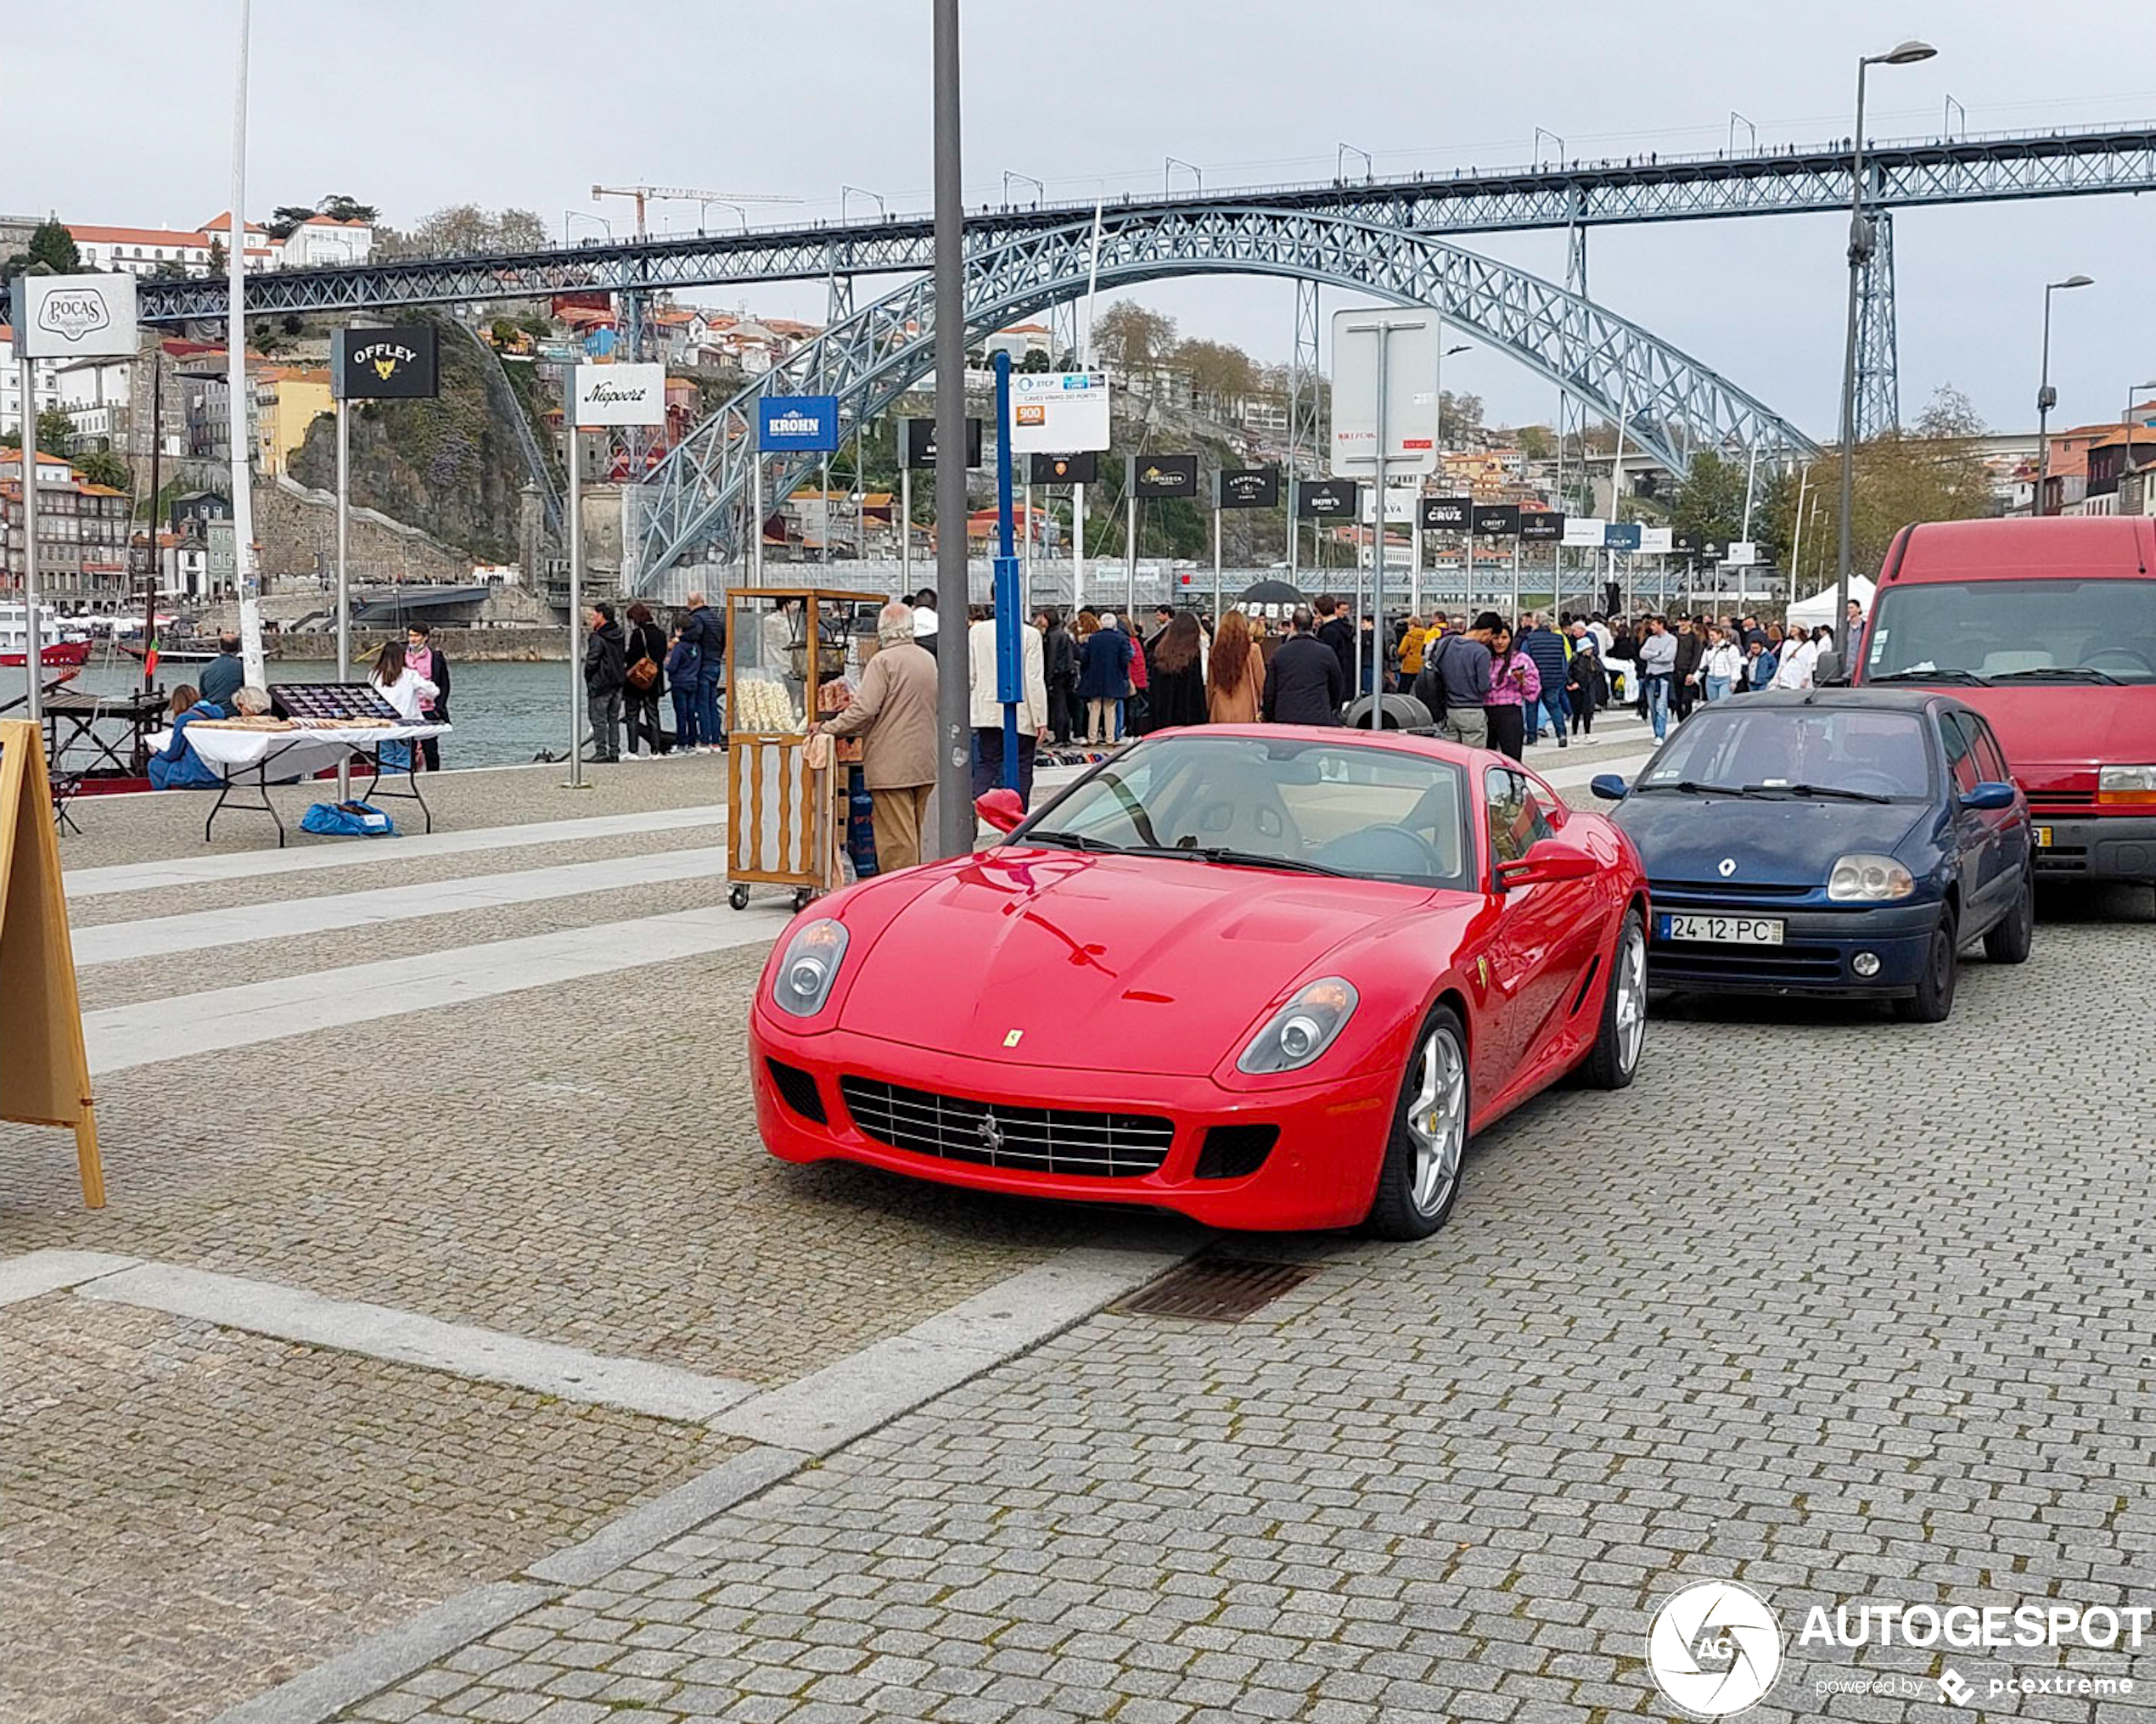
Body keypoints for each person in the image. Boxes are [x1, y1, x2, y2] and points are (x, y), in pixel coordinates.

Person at [816, 600, 939, 869]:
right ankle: (918, 885)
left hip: (891, 763)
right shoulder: (927, 659)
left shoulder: (883, 661)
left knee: (896, 841)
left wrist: (827, 727)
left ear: (883, 629)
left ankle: (900, 893)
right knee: (916, 833)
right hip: (925, 760)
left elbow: (865, 709)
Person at [968, 608, 1052, 806]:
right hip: (1022, 711)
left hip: (986, 709)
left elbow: (971, 676)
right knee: (1022, 766)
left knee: (987, 763)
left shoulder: (976, 632)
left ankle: (975, 808)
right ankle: (1017, 816)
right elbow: (1034, 680)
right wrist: (1040, 719)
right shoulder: (1031, 635)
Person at [1416, 612, 1495, 750]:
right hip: (1472, 711)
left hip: (1449, 711)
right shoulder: (1481, 652)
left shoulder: (1447, 644)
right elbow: (1483, 686)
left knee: (1451, 755)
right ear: (1488, 632)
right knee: (1472, 756)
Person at [1261, 605, 1345, 726]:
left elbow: (1270, 690)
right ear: (1312, 626)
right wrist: (1329, 706)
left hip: (1285, 716)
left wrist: (1269, 714)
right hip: (1318, 716)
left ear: (1293, 626)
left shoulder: (1279, 653)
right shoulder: (1326, 652)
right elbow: (1337, 685)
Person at [147, 683, 226, 789]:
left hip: (195, 776)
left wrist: (157, 752)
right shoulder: (219, 714)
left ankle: (162, 796)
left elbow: (173, 754)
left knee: (154, 764)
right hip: (218, 775)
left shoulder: (184, 719)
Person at [1484, 622, 1539, 762]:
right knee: (1486, 758)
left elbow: (1533, 691)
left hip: (1509, 712)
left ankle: (1515, 784)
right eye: (1496, 638)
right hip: (1485, 712)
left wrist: (1522, 681)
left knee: (1512, 759)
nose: (1500, 642)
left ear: (1510, 639)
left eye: (1504, 637)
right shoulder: (1484, 658)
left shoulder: (1521, 659)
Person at [400, 622, 451, 770]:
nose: (413, 639)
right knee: (408, 746)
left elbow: (444, 684)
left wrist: (439, 707)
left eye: (416, 636)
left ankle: (433, 776)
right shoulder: (401, 655)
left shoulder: (436, 657)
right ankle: (409, 774)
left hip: (429, 708)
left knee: (431, 749)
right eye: (410, 635)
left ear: (425, 637)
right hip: (407, 709)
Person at [680, 590, 726, 753]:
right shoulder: (716, 618)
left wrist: (680, 639)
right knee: (713, 703)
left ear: (691, 603)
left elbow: (694, 636)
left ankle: (705, 740)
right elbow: (723, 639)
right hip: (716, 664)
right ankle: (716, 740)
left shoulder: (697, 619)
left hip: (703, 664)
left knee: (703, 704)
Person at [1147, 610, 1208, 731]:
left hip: (1162, 715)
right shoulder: (1193, 654)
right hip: (1187, 718)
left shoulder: (1160, 652)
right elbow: (1197, 691)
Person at [622, 601, 669, 757]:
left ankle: (633, 750)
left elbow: (633, 657)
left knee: (632, 715)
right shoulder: (661, 634)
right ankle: (655, 750)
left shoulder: (638, 634)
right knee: (653, 714)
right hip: (654, 679)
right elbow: (661, 657)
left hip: (637, 681)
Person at [1078, 612, 1133, 744]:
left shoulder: (1093, 639)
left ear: (1101, 623)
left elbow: (1085, 659)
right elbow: (1125, 659)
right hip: (1114, 677)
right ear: (1114, 624)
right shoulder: (1121, 639)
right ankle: (1110, 738)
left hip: (1094, 678)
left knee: (1095, 708)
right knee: (1110, 709)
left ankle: (1092, 738)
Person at [1205, 608, 1266, 724]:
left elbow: (1211, 684)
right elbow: (1261, 682)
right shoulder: (1252, 650)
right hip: (1246, 708)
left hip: (1219, 709)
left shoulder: (1214, 651)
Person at [1519, 612, 1570, 748]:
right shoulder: (1558, 639)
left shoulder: (1529, 639)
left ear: (1536, 623)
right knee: (1554, 706)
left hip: (1534, 680)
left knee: (1531, 708)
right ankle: (1562, 734)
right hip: (1553, 678)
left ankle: (1532, 737)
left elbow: (1524, 660)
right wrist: (1562, 677)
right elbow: (1563, 661)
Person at [583, 600, 626, 762]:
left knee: (598, 719)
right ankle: (614, 751)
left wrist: (589, 678)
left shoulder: (598, 637)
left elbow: (592, 661)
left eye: (595, 614)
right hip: (617, 681)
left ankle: (601, 751)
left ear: (601, 615)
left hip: (601, 683)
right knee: (613, 719)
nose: (593, 616)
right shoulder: (619, 634)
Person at [369, 639, 439, 721]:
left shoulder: (374, 675)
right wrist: (428, 697)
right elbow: (434, 690)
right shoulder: (410, 675)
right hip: (409, 721)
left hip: (383, 720)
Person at [1039, 608, 1080, 744]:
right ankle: (1064, 735)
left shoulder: (1052, 636)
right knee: (1064, 706)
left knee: (1058, 706)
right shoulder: (1062, 633)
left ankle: (1060, 735)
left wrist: (1048, 678)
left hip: (1057, 674)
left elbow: (1051, 657)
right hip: (1066, 672)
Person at [665, 616, 700, 750]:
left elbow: (672, 666)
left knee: (681, 713)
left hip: (679, 682)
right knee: (691, 712)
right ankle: (693, 740)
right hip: (693, 680)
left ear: (679, 630)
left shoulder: (679, 648)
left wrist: (667, 662)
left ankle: (681, 742)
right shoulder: (696, 646)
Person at [1314, 596, 1356, 697]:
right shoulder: (1344, 628)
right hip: (1346, 679)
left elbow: (1326, 659)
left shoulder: (1328, 632)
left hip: (1333, 684)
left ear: (1319, 612)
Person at [1565, 638, 1607, 737]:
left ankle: (1587, 734)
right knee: (1577, 713)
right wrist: (1572, 683)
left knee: (1588, 713)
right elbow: (1568, 673)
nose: (1590, 651)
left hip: (1588, 688)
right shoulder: (1575, 659)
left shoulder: (1594, 660)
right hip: (1578, 690)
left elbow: (1599, 672)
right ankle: (1575, 734)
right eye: (1588, 649)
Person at [199, 632, 245, 716]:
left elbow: (203, 695)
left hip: (211, 713)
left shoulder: (208, 668)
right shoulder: (243, 668)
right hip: (234, 713)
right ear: (239, 648)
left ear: (219, 647)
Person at [1671, 617, 1705, 722]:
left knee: (1686, 700)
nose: (1683, 623)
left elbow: (1697, 656)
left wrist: (1692, 672)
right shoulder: (1674, 636)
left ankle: (1686, 720)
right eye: (1681, 621)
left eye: (1685, 621)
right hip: (1675, 670)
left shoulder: (1694, 638)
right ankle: (1680, 719)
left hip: (1687, 671)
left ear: (1689, 622)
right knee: (1676, 699)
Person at [1701, 623, 1743, 705]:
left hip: (1725, 679)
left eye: (1713, 635)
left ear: (1720, 635)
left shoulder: (1731, 648)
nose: (1711, 638)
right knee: (1712, 703)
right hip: (1711, 678)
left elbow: (1735, 665)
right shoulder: (1709, 648)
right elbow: (1703, 664)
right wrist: (1695, 678)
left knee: (1724, 702)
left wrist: (1734, 680)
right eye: (1710, 636)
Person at [1773, 623, 1819, 691]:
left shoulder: (1810, 644)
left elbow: (1811, 663)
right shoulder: (1787, 643)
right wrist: (1776, 677)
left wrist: (1806, 678)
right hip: (1786, 677)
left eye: (1794, 627)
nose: (1791, 629)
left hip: (1800, 677)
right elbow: (1782, 663)